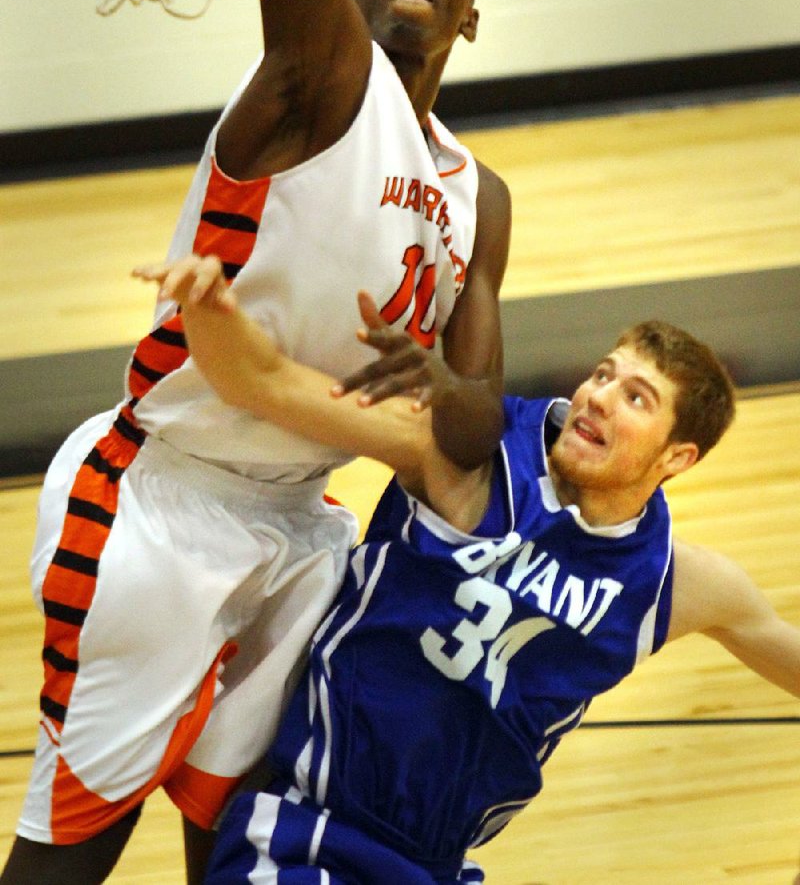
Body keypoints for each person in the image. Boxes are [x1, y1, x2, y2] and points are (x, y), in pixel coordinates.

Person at [0, 0, 510, 885]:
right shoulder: (321, 75)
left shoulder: (478, 196)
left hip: (302, 521)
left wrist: (441, 369)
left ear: (472, 16)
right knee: (81, 832)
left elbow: (478, 422)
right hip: (160, 497)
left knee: (250, 833)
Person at [139, 254, 799, 885]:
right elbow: (264, 381)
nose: (598, 398)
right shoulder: (468, 461)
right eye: (602, 375)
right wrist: (210, 306)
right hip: (310, 834)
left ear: (677, 458)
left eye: (636, 397)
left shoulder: (671, 583)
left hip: (438, 867)